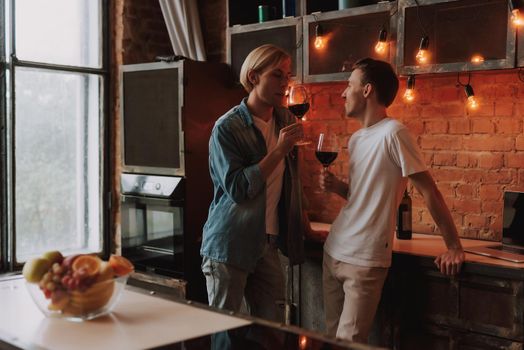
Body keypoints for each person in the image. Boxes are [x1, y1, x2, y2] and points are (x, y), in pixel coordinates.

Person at [320, 58, 465, 343]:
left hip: (364, 260)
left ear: (367, 90)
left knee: (347, 344)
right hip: (333, 250)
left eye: (349, 85)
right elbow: (364, 196)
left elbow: (428, 191)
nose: (342, 93)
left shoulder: (395, 133)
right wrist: (339, 187)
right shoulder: (357, 139)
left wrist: (454, 247)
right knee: (326, 340)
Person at [200, 44, 305, 323]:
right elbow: (238, 189)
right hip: (230, 244)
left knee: (273, 332)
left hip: (268, 244)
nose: (285, 84)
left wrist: (300, 223)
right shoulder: (227, 127)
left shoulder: (286, 119)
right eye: (277, 76)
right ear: (254, 77)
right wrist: (279, 150)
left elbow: (290, 182)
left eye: (288, 76)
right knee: (226, 335)